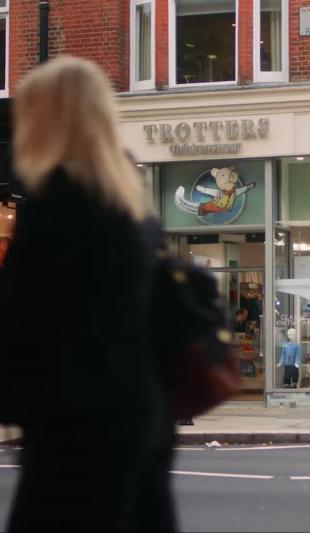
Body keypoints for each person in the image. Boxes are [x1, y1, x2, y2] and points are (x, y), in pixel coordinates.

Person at [0, 56, 176, 531]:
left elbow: (23, 315)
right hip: (142, 415)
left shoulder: (58, 200)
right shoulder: (131, 194)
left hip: (75, 422)